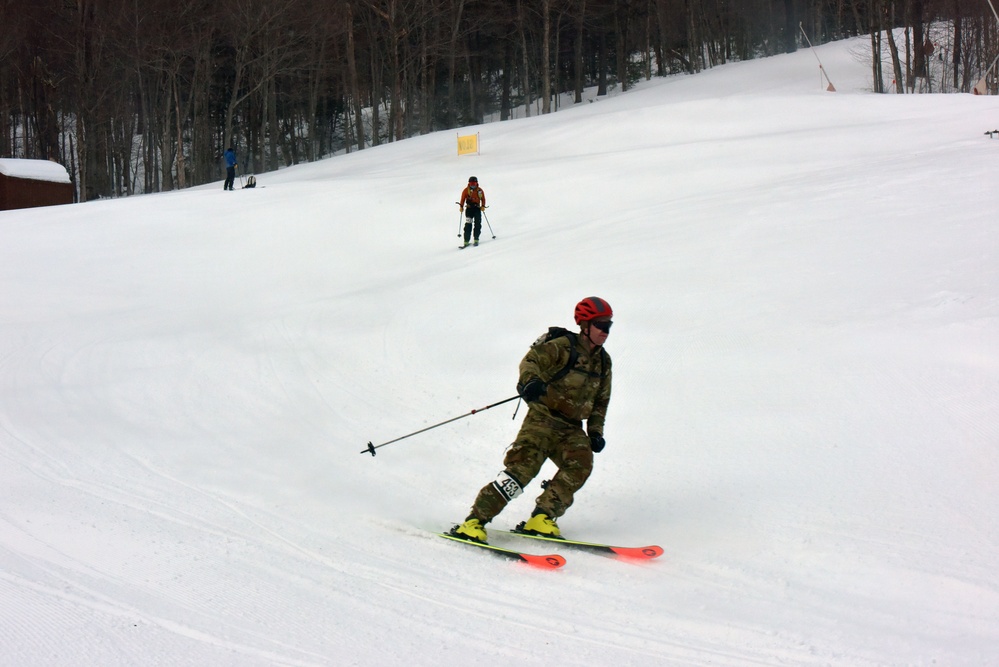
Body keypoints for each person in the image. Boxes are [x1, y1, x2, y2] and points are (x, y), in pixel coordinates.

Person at [451, 297, 614, 543]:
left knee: (580, 464)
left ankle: (542, 516)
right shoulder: (562, 347)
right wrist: (531, 381)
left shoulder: (604, 361)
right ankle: (474, 521)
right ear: (585, 325)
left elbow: (601, 400)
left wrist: (595, 432)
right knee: (521, 471)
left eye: (609, 325)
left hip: (571, 428)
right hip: (542, 419)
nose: (606, 331)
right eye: (601, 325)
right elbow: (531, 361)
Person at [458, 176, 486, 247]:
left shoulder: (480, 190)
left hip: (477, 209)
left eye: (474, 183)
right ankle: (466, 241)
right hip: (469, 209)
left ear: (477, 183)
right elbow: (462, 199)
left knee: (477, 223)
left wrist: (483, 206)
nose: (473, 184)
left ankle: (476, 239)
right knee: (468, 225)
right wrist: (461, 206)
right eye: (471, 183)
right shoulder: (465, 190)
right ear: (469, 183)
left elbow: (483, 199)